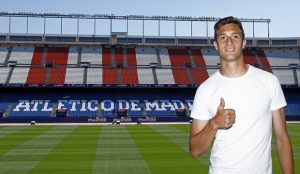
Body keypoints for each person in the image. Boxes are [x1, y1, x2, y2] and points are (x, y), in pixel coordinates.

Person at [189, 16, 294, 174]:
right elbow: (194, 150)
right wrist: (214, 124)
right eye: (223, 37)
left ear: (244, 43)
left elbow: (282, 138)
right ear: (216, 45)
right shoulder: (205, 90)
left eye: (235, 36)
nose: (229, 42)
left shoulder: (269, 81)